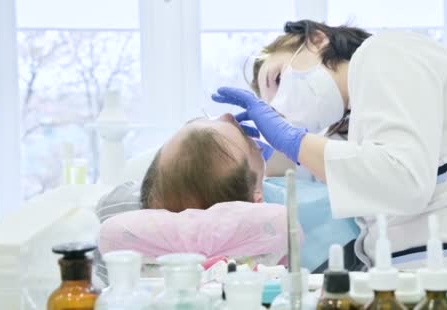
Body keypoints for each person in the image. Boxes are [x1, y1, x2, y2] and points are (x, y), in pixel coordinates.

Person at [212, 20, 447, 268]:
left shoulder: (383, 52)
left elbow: (402, 179)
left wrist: (293, 142)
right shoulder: (358, 119)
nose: (287, 104)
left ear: (317, 39)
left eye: (277, 79)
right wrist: (252, 151)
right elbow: (335, 165)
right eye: (280, 111)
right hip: (437, 268)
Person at [94, 113, 359, 280]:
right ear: (257, 199)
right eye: (249, 141)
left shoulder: (122, 223)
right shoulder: (277, 223)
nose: (227, 115)